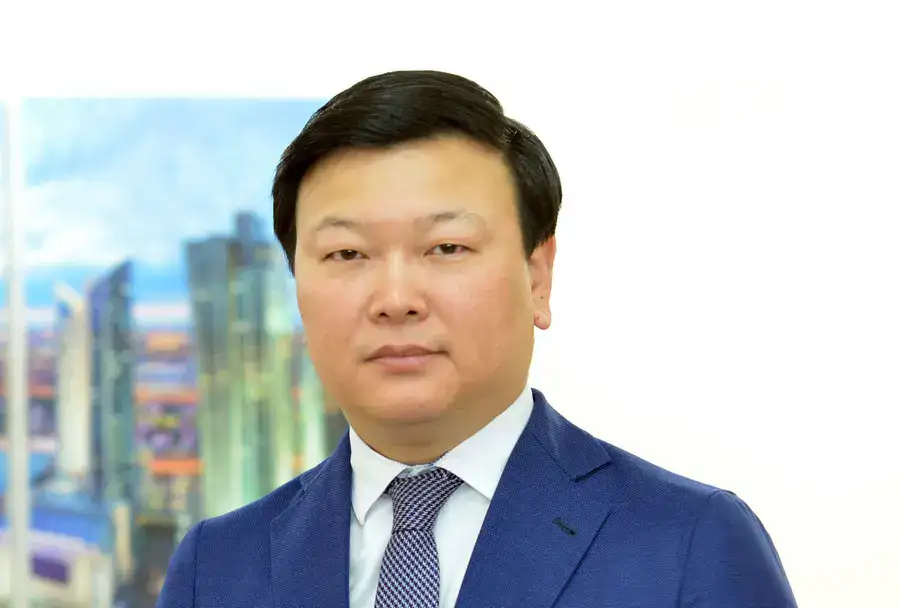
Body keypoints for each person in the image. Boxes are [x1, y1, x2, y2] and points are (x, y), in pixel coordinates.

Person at [157, 70, 797, 608]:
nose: (396, 299)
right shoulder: (217, 567)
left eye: (447, 247)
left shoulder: (688, 543)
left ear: (537, 276)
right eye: (347, 253)